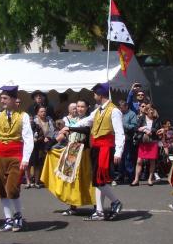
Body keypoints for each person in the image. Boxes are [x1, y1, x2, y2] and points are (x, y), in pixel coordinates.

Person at [68, 82, 125, 221]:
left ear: (100, 95)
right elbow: (87, 121)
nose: (93, 96)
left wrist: (118, 152)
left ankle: (116, 201)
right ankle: (99, 211)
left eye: (95, 93)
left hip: (106, 148)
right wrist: (71, 126)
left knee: (99, 179)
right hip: (96, 147)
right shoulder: (98, 110)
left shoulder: (114, 110)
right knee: (98, 180)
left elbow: (119, 133)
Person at [0, 85, 33, 232]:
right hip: (0, 155)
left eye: (5, 98)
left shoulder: (22, 116)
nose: (2, 101)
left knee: (12, 187)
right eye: (1, 98)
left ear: (13, 99)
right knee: (1, 189)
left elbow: (28, 139)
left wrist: (26, 158)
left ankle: (18, 216)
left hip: (16, 155)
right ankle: (8, 219)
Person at [41, 98, 94, 215]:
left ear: (87, 108)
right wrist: (51, 143)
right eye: (77, 107)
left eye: (82, 107)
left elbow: (86, 131)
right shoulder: (73, 120)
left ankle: (96, 205)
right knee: (70, 179)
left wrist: (69, 128)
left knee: (87, 179)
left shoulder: (89, 119)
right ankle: (72, 206)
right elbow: (64, 133)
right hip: (72, 150)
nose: (79, 109)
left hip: (84, 152)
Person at [132, 101, 159, 186]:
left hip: (152, 142)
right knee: (139, 161)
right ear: (146, 111)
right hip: (143, 142)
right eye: (149, 109)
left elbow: (158, 129)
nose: (151, 111)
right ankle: (136, 179)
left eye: (152, 109)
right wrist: (144, 129)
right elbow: (136, 128)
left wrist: (151, 131)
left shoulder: (156, 119)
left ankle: (150, 179)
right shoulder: (142, 118)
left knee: (152, 161)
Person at [30, 106, 55, 188]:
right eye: (41, 111)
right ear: (37, 113)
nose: (43, 113)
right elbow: (32, 131)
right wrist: (41, 138)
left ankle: (41, 179)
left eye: (44, 111)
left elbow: (52, 130)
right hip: (36, 144)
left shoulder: (49, 120)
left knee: (43, 161)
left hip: (47, 142)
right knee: (35, 162)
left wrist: (48, 137)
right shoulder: (34, 121)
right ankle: (33, 179)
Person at [118, 98, 138, 184]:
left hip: (128, 138)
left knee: (128, 157)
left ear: (126, 106)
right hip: (119, 138)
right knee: (120, 158)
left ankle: (130, 176)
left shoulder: (132, 114)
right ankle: (121, 174)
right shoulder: (119, 114)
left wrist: (123, 124)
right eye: (119, 107)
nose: (120, 109)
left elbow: (134, 126)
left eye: (121, 107)